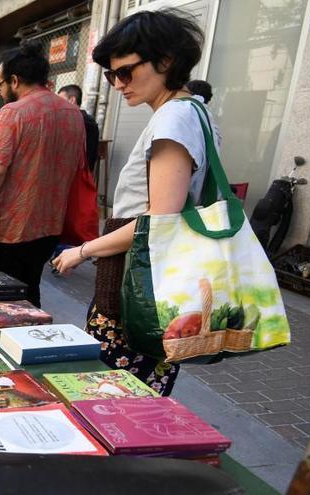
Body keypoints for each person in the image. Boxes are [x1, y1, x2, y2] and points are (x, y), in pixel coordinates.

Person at [52, 9, 215, 396]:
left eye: (125, 71)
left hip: (139, 278)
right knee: (138, 392)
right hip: (163, 276)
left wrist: (83, 250)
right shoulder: (195, 113)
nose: (117, 84)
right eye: (111, 75)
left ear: (166, 61)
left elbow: (159, 218)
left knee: (110, 393)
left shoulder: (174, 118)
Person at [0, 41, 86, 309]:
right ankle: (32, 339)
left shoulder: (12, 112)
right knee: (30, 288)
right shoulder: (72, 113)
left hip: (11, 226)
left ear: (15, 81)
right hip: (50, 224)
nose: (0, 91)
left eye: (0, 85)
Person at [58, 84, 100, 172]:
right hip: (84, 175)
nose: (58, 104)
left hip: (72, 175)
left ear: (72, 100)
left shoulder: (74, 121)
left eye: (60, 101)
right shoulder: (88, 120)